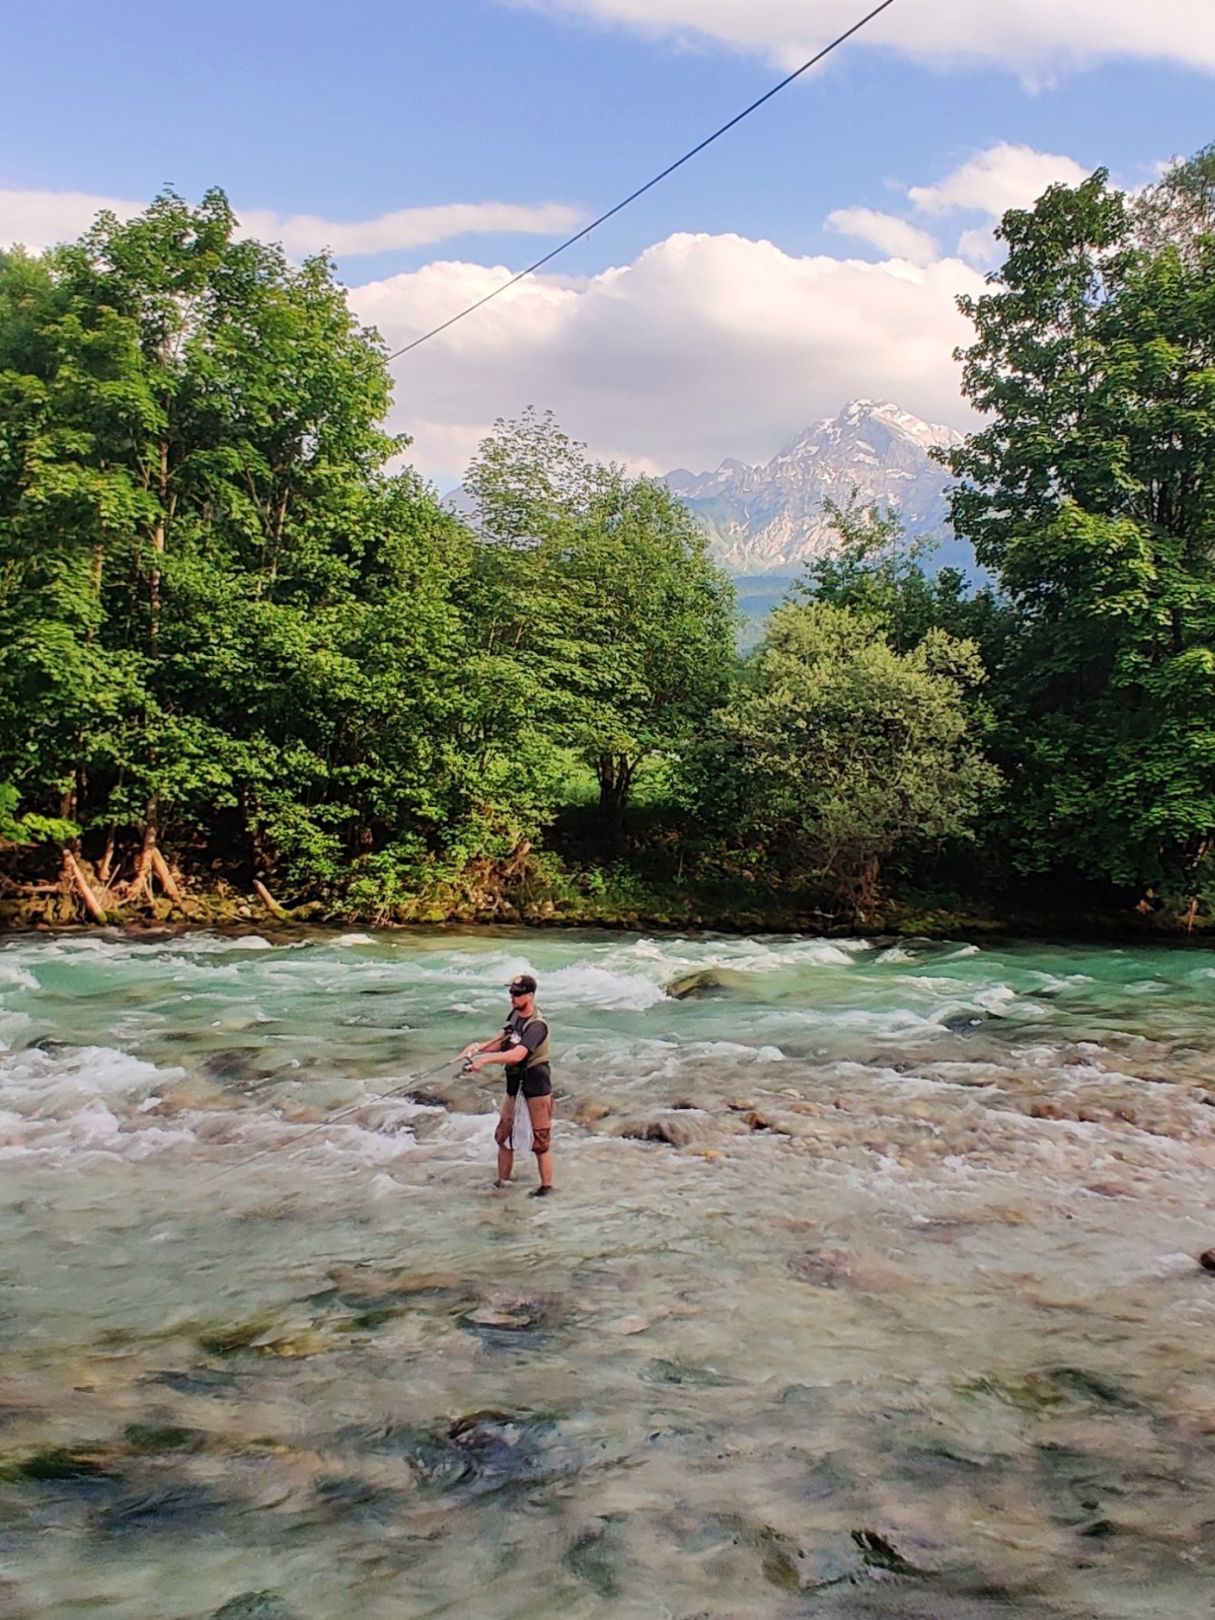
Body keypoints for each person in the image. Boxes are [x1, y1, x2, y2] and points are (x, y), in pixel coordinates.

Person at [460, 974, 554, 1196]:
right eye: (511, 992)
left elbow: (517, 1054)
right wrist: (477, 1048)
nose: (512, 997)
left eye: (517, 993)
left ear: (530, 996)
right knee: (503, 1135)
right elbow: (502, 1041)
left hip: (536, 1083)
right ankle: (502, 1182)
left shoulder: (537, 1026)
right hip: (514, 1083)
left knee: (540, 1141)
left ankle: (547, 1188)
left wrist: (484, 1062)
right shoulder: (514, 1016)